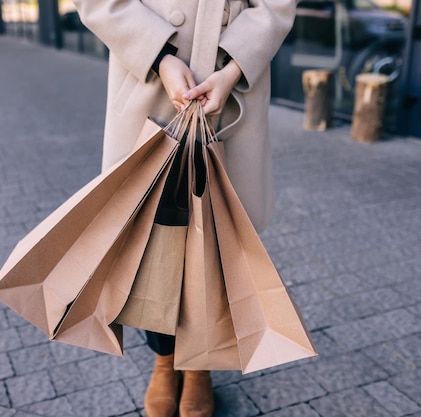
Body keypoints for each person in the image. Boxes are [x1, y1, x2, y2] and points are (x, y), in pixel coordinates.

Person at [72, 0, 296, 415]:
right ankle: (164, 359)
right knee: (152, 245)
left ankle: (200, 364)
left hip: (231, 88)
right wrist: (160, 56)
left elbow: (276, 6)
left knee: (216, 244)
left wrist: (232, 68)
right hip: (152, 85)